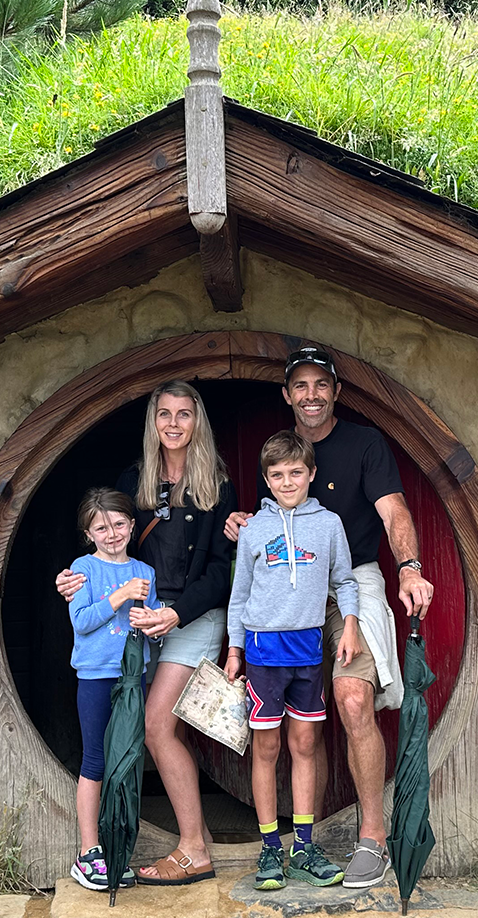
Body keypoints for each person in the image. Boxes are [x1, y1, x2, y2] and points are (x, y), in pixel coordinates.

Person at [225, 346, 437, 890]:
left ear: (336, 392)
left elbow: (394, 512)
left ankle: (373, 839)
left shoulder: (365, 443)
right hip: (286, 591)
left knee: (351, 696)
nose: (311, 394)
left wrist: (409, 569)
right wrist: (241, 524)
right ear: (287, 395)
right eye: (301, 386)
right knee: (300, 721)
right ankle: (302, 842)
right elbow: (266, 528)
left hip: (352, 578)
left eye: (321, 385)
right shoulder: (280, 456)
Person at [54, 380, 236, 886]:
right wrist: (71, 581)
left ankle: (194, 849)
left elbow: (222, 571)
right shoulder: (135, 479)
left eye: (184, 414)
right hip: (140, 624)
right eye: (164, 414)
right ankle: (115, 843)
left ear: (198, 421)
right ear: (152, 423)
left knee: (156, 726)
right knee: (140, 732)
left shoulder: (218, 486)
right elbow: (107, 552)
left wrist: (176, 615)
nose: (174, 424)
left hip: (190, 619)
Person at [225, 430, 362, 891]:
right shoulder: (253, 529)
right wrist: (234, 647)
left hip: (307, 650)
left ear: (312, 475)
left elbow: (345, 581)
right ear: (266, 478)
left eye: (296, 473)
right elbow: (239, 594)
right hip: (264, 652)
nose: (287, 482)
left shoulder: (328, 525)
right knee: (267, 749)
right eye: (277, 474)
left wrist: (353, 625)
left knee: (305, 745)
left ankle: (303, 846)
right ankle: (270, 849)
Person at [65, 487, 158, 892]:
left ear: (132, 525)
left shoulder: (145, 570)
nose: (112, 533)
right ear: (89, 533)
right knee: (96, 761)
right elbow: (82, 621)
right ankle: (88, 853)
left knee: (127, 762)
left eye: (119, 524)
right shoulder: (82, 568)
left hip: (132, 677)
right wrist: (121, 595)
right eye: (101, 527)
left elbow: (152, 630)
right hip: (95, 674)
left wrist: (149, 620)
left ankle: (117, 848)